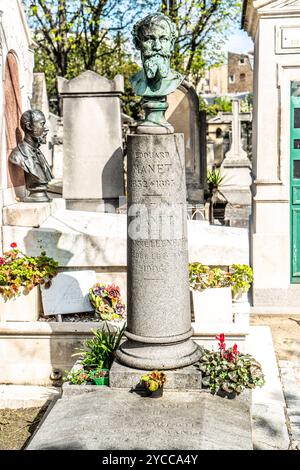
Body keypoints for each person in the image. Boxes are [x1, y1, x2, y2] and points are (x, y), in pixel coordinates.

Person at [130, 13, 184, 98]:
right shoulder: (134, 81)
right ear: (137, 43)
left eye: (164, 39)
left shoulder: (177, 81)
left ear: (172, 43)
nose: (157, 47)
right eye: (149, 39)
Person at [9, 109, 53, 202]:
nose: (46, 128)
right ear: (29, 126)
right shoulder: (17, 156)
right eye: (42, 124)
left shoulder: (39, 153)